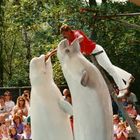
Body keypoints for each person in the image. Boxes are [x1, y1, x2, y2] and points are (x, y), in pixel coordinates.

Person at [60, 24, 134, 97]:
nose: (64, 36)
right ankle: (127, 76)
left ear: (69, 31)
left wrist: (73, 44)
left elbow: (81, 38)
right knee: (109, 67)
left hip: (98, 51)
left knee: (110, 69)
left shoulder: (76, 33)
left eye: (64, 34)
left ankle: (122, 87)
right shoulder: (69, 40)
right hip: (95, 54)